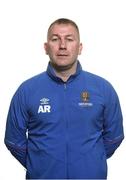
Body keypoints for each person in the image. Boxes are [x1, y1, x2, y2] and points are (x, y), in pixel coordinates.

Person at [4, 18, 124, 179]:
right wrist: (40, 163)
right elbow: (13, 140)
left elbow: (114, 137)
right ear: (46, 47)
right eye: (55, 39)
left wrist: (91, 161)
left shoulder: (103, 89)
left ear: (80, 47)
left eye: (69, 39)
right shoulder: (27, 90)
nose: (62, 46)